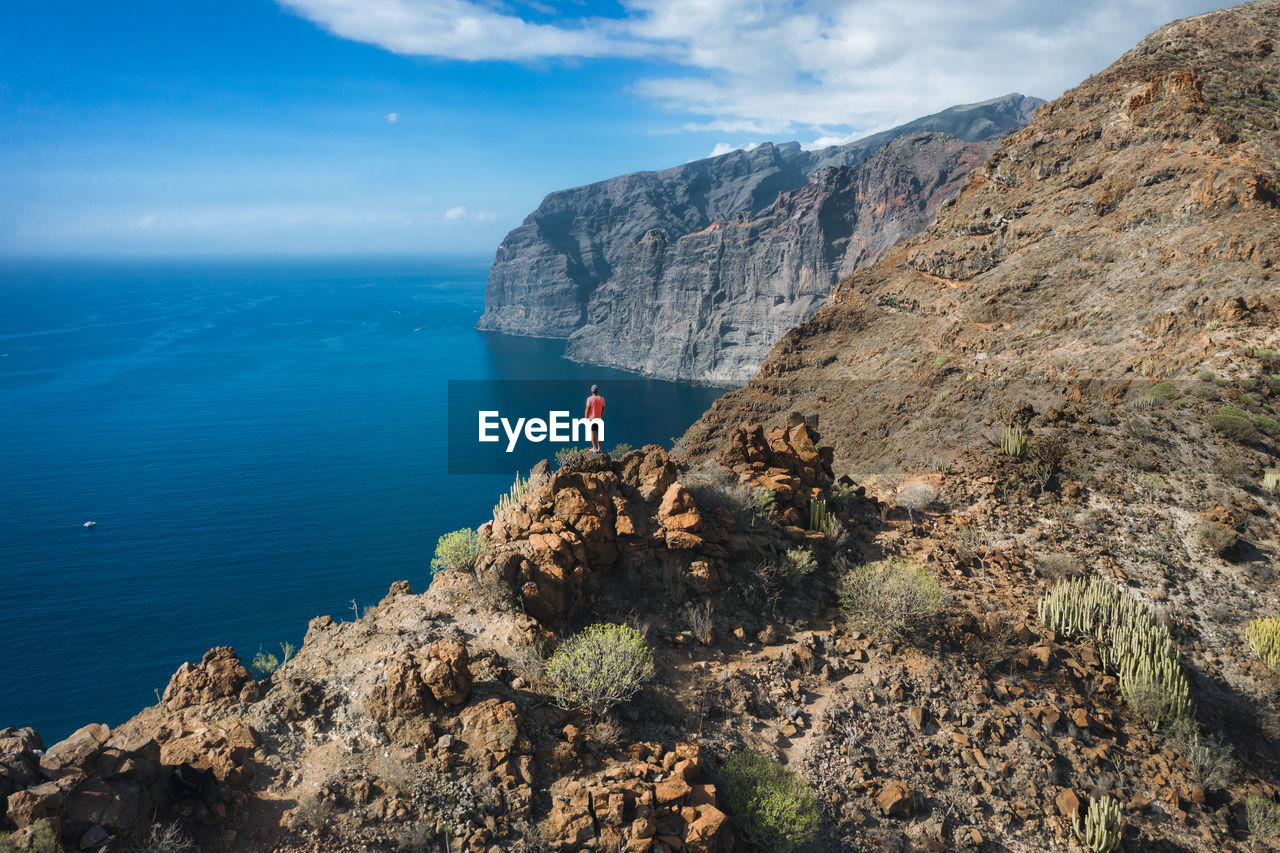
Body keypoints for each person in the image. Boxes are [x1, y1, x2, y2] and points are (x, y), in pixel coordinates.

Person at [584, 384, 605, 451]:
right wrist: (600, 415)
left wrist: (586, 418)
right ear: (597, 391)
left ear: (591, 391)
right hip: (599, 418)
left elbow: (587, 410)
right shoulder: (601, 399)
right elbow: (603, 408)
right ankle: (599, 448)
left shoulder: (589, 399)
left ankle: (594, 448)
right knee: (599, 433)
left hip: (591, 418)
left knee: (592, 432)